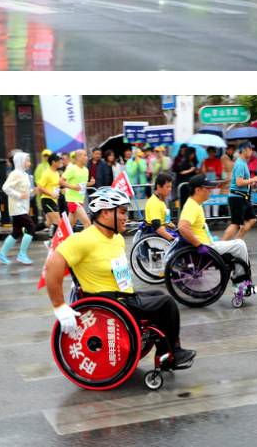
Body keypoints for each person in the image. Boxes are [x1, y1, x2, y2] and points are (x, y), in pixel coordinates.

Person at [44, 186, 196, 369]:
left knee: (157, 294)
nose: (126, 217)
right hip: (109, 301)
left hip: (123, 295)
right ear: (106, 212)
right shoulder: (83, 239)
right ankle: (173, 353)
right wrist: (59, 306)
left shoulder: (117, 238)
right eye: (122, 212)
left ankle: (164, 352)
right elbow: (53, 265)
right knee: (166, 304)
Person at [178, 175, 257, 295]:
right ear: (198, 190)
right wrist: (199, 245)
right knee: (240, 244)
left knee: (237, 245)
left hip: (207, 244)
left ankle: (242, 282)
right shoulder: (192, 206)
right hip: (205, 248)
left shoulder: (194, 204)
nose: (210, 192)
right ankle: (241, 284)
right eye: (207, 189)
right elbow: (182, 227)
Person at [0, 151, 35, 264]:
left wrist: (33, 191)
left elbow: (25, 192)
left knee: (16, 232)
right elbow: (5, 187)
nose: (29, 163)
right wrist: (19, 195)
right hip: (17, 208)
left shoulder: (25, 175)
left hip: (22, 207)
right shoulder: (16, 173)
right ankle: (22, 254)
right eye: (27, 160)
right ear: (20, 162)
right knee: (31, 227)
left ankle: (1, 254)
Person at [221, 141, 257, 241]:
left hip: (243, 197)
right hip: (237, 197)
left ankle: (236, 242)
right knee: (235, 224)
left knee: (252, 220)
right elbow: (239, 182)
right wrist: (253, 179)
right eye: (250, 149)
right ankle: (220, 246)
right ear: (243, 150)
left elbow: (241, 182)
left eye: (252, 149)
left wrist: (251, 183)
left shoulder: (243, 163)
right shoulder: (240, 164)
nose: (252, 151)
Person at [60, 148, 94, 229]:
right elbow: (61, 181)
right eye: (85, 155)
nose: (87, 157)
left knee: (68, 226)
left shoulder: (86, 170)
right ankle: (85, 242)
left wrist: (90, 184)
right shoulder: (72, 169)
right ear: (78, 157)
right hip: (73, 200)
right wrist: (73, 187)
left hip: (80, 200)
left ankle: (57, 241)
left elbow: (82, 185)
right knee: (87, 223)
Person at [144, 172, 176, 242]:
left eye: (170, 187)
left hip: (164, 230)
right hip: (157, 236)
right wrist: (172, 239)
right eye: (167, 187)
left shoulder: (161, 201)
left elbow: (167, 221)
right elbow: (157, 227)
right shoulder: (154, 203)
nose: (170, 189)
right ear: (158, 187)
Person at [37, 153, 63, 237]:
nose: (61, 162)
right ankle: (52, 241)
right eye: (59, 161)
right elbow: (40, 186)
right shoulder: (47, 173)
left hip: (53, 201)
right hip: (47, 200)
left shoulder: (56, 173)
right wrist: (51, 193)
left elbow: (55, 186)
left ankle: (28, 231)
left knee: (48, 223)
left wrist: (62, 190)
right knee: (58, 222)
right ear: (53, 162)